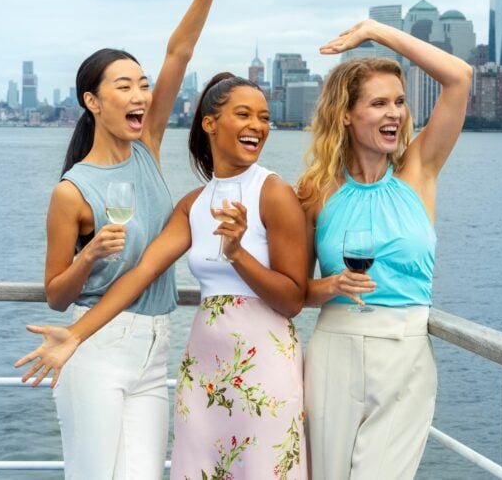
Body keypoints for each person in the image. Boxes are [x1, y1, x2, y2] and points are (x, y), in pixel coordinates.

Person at [17, 74, 310, 479]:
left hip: (265, 367)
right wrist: (77, 333)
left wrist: (237, 254)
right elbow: (143, 271)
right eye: (243, 114)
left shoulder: (273, 192)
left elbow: (293, 299)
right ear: (210, 123)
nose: (257, 126)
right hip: (205, 368)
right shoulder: (194, 205)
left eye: (263, 117)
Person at [14, 0, 223, 479]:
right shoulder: (72, 191)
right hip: (96, 344)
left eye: (143, 85)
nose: (140, 96)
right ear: (92, 101)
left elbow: (180, 51)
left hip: (157, 344)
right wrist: (88, 258)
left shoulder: (148, 146)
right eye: (124, 86)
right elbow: (58, 295)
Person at [298, 19, 473, 480]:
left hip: (405, 351)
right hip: (334, 349)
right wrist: (330, 284)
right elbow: (296, 290)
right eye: (378, 103)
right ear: (346, 115)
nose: (394, 113)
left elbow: (459, 77)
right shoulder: (316, 191)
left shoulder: (419, 170)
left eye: (399, 101)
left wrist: (376, 31)